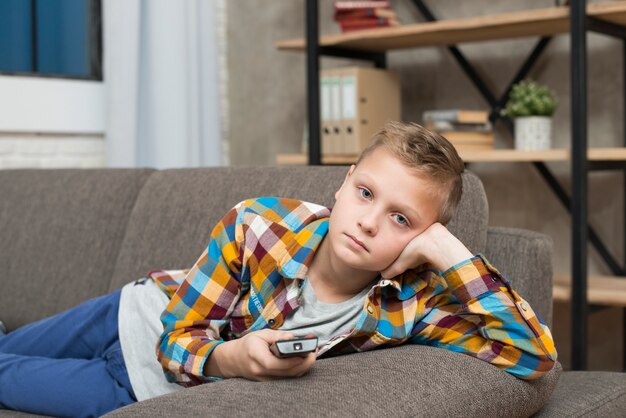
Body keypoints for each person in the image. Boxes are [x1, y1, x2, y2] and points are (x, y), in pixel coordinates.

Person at [0, 121, 557, 417]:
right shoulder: (258, 224)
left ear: (424, 238)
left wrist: (451, 254)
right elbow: (177, 337)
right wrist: (230, 356)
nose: (367, 222)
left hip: (136, 390)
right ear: (342, 186)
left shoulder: (412, 306)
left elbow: (533, 356)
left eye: (401, 218)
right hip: (135, 310)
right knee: (12, 342)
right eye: (364, 193)